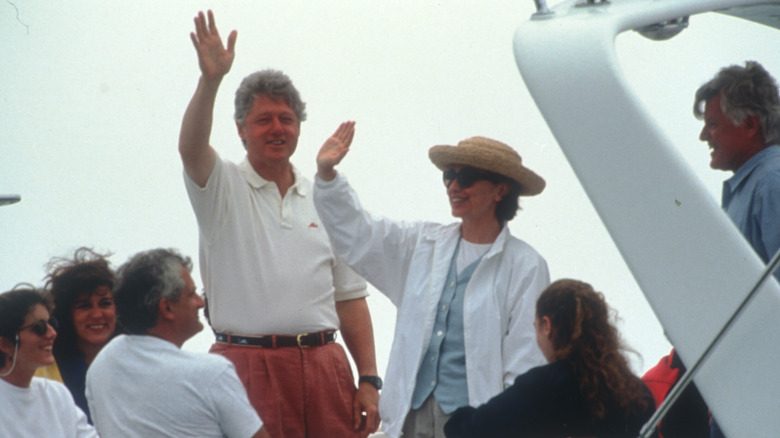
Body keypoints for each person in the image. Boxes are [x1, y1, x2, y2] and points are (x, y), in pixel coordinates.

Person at [179, 10, 379, 438]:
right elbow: (191, 147)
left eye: (286, 119)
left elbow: (350, 298)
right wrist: (210, 81)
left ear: (298, 128)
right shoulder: (221, 187)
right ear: (241, 129)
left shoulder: (323, 197)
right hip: (248, 366)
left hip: (326, 366)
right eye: (263, 119)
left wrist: (368, 379)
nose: (276, 128)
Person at [314, 132, 551, 437]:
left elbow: (526, 361)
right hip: (411, 419)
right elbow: (360, 234)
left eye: (466, 177)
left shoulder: (526, 265)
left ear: (500, 190)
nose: (453, 186)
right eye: (449, 176)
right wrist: (328, 177)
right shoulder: (422, 246)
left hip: (478, 424)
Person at [85, 248, 269, 438]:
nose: (201, 302)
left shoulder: (102, 364)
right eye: (191, 294)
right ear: (167, 308)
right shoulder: (211, 373)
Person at [442, 279, 655, 438]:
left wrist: (460, 417)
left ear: (547, 325)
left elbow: (468, 432)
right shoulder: (637, 392)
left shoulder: (543, 386)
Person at [695, 60, 780, 281]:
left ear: (750, 125)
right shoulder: (757, 185)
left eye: (712, 124)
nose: (703, 136)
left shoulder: (772, 182)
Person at [34, 247, 119, 423]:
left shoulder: (133, 365)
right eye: (84, 306)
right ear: (66, 315)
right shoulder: (45, 374)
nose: (97, 314)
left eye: (105, 303)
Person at [0, 286, 97, 438]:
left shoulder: (57, 394)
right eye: (40, 327)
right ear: (5, 344)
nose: (52, 333)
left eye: (51, 323)